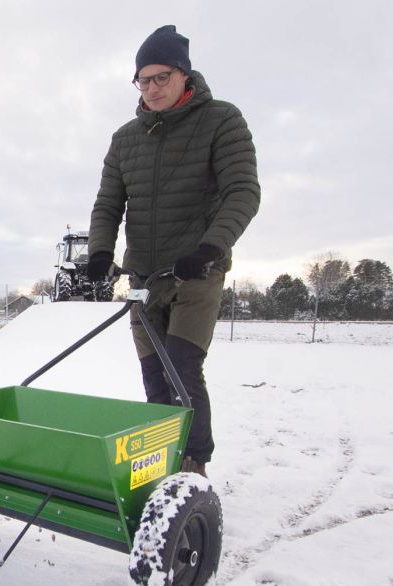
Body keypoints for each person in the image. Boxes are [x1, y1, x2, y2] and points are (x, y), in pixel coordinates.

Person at [87, 25, 260, 477]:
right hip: (144, 278)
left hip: (195, 271)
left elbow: (243, 191)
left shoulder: (222, 120)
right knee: (153, 377)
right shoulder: (126, 138)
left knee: (182, 367)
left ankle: (193, 464)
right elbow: (108, 204)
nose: (151, 88)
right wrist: (101, 255)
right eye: (143, 80)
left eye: (161, 77)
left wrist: (210, 246)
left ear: (184, 74)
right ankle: (159, 461)